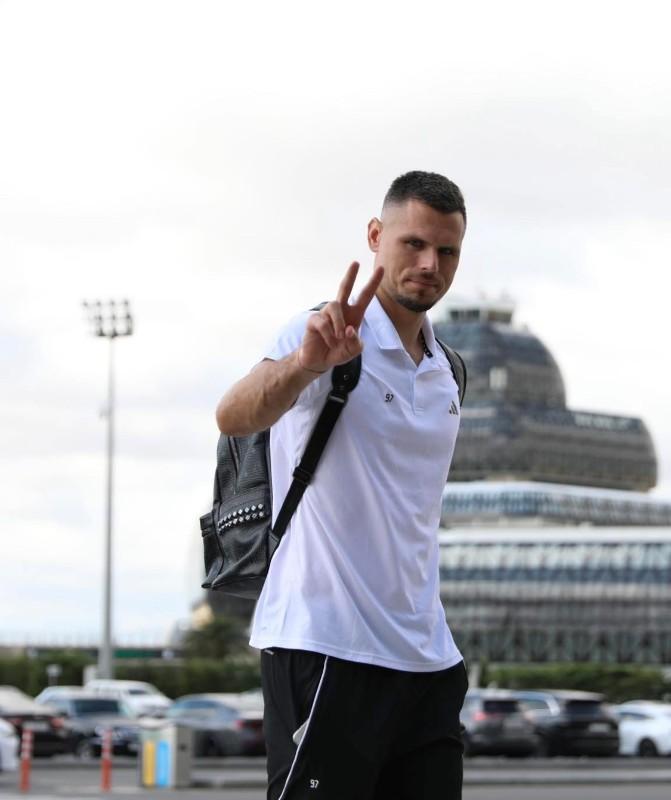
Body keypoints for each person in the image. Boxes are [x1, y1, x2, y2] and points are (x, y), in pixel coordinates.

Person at [216, 171, 468, 800]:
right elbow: (234, 414)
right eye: (413, 244)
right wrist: (306, 365)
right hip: (326, 645)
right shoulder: (322, 335)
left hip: (428, 659)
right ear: (376, 236)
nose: (430, 265)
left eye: (447, 251)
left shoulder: (448, 370)